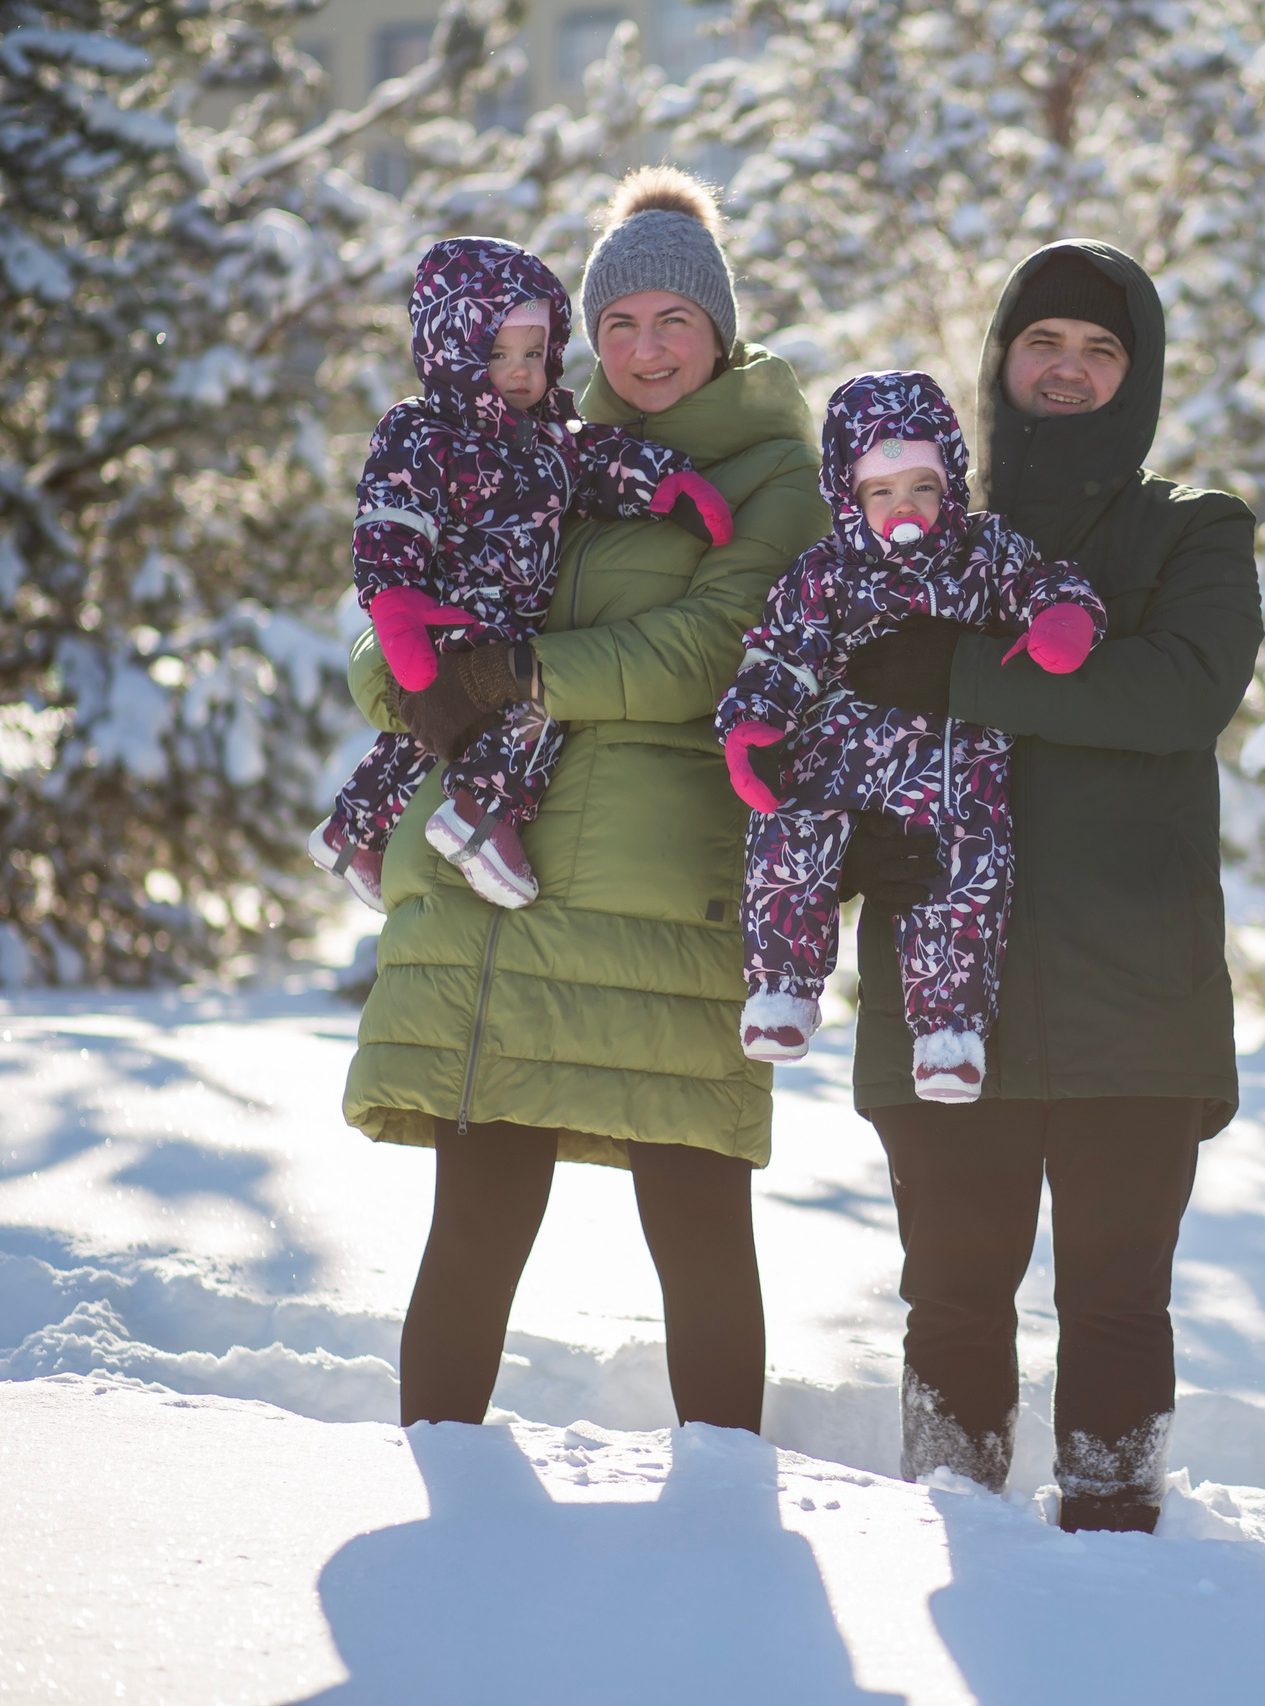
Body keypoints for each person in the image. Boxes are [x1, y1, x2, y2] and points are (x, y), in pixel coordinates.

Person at [339, 168, 831, 1433]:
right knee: (477, 1221)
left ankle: (727, 1524)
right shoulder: (528, 442)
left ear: (720, 329)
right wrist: (414, 672)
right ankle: (442, 1494)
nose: (645, 348)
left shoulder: (779, 475)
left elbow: (715, 649)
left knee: (697, 1215)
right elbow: (400, 613)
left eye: (674, 319)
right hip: (490, 893)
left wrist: (518, 671)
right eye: (618, 321)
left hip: (660, 900)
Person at [839, 243, 1263, 1532]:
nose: (1067, 369)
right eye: (1043, 344)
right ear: (1000, 362)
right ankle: (951, 1523)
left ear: (1135, 379)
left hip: (1134, 989)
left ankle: (1119, 1544)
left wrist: (959, 670)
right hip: (943, 980)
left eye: (1100, 349)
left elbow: (1177, 690)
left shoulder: (1192, 530)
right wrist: (852, 832)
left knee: (1118, 1294)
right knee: (953, 1290)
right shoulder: (908, 527)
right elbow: (825, 700)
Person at [308, 236, 732, 912]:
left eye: (532, 355)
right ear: (455, 354)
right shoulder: (423, 433)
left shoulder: (549, 439)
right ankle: (479, 816)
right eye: (497, 354)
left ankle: (352, 831)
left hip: (503, 623)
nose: (519, 372)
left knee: (422, 735)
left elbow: (599, 465)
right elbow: (392, 516)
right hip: (453, 618)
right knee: (535, 711)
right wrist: (397, 605)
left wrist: (667, 487)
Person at [715, 370, 1104, 1102]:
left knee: (965, 877)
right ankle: (783, 991)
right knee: (788, 839)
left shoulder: (985, 551)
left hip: (953, 760)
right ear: (851, 496)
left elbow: (1048, 583)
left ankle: (949, 1038)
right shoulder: (823, 572)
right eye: (882, 492)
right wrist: (756, 727)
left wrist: (1061, 621)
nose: (904, 507)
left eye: (922, 487)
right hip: (837, 752)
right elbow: (781, 651)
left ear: (949, 485)